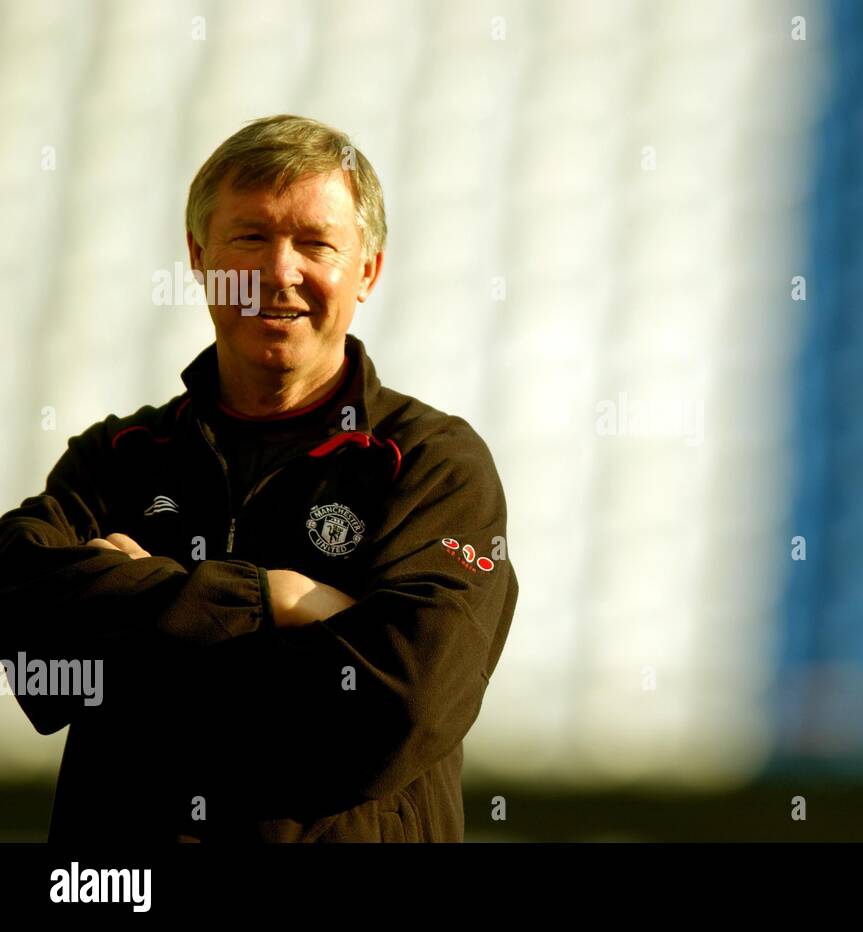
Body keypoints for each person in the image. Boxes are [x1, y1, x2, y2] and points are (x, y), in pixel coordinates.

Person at [0, 114, 518, 842]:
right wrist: (276, 599)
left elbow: (408, 701)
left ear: (366, 270)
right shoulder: (118, 457)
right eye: (251, 238)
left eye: (316, 243)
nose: (279, 272)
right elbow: (29, 635)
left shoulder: (433, 465)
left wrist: (144, 646)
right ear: (199, 256)